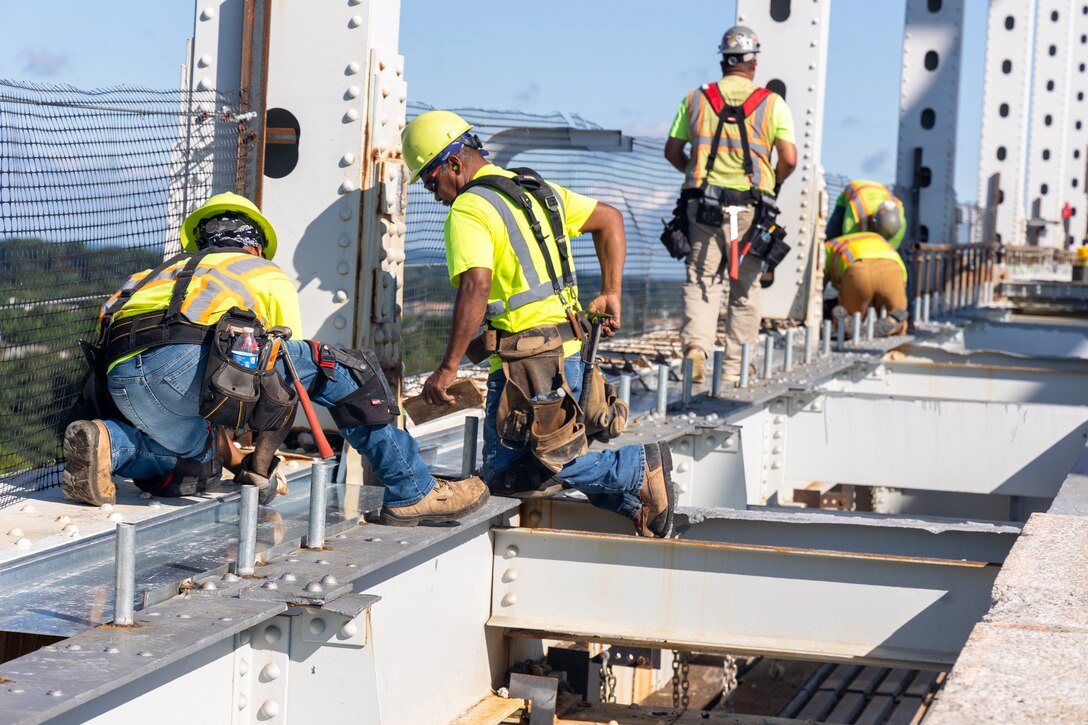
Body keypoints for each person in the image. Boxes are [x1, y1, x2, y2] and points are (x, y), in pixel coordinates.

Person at [62, 192, 488, 526]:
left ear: (201, 238)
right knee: (336, 367)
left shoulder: (149, 275)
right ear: (256, 242)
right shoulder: (261, 272)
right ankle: (413, 488)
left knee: (197, 463)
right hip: (185, 369)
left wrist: (237, 457)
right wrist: (261, 465)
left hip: (121, 388)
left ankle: (109, 442)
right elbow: (286, 383)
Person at [400, 110, 675, 538]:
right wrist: (612, 291)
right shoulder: (535, 191)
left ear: (453, 163)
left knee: (540, 464)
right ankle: (636, 503)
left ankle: (636, 467)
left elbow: (476, 285)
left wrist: (447, 369)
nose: (434, 194)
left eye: (431, 180)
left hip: (526, 367)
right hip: (571, 352)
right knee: (523, 472)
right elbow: (610, 219)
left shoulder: (469, 208)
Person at [664, 25, 797, 386]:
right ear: (753, 64)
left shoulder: (695, 99)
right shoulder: (772, 104)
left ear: (724, 60)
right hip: (751, 209)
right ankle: (737, 368)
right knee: (746, 287)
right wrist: (774, 179)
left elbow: (673, 152)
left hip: (703, 206)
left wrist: (696, 172)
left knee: (702, 279)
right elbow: (789, 157)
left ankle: (696, 348)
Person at [825, 200, 909, 338]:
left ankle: (846, 323)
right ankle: (894, 321)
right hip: (892, 268)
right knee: (898, 312)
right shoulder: (882, 242)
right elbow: (903, 280)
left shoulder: (831, 245)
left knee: (849, 318)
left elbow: (818, 281)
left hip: (858, 272)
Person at [826, 179, 906, 250]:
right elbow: (848, 241)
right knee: (833, 241)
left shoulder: (901, 224)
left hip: (879, 192)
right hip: (857, 191)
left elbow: (889, 249)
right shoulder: (857, 210)